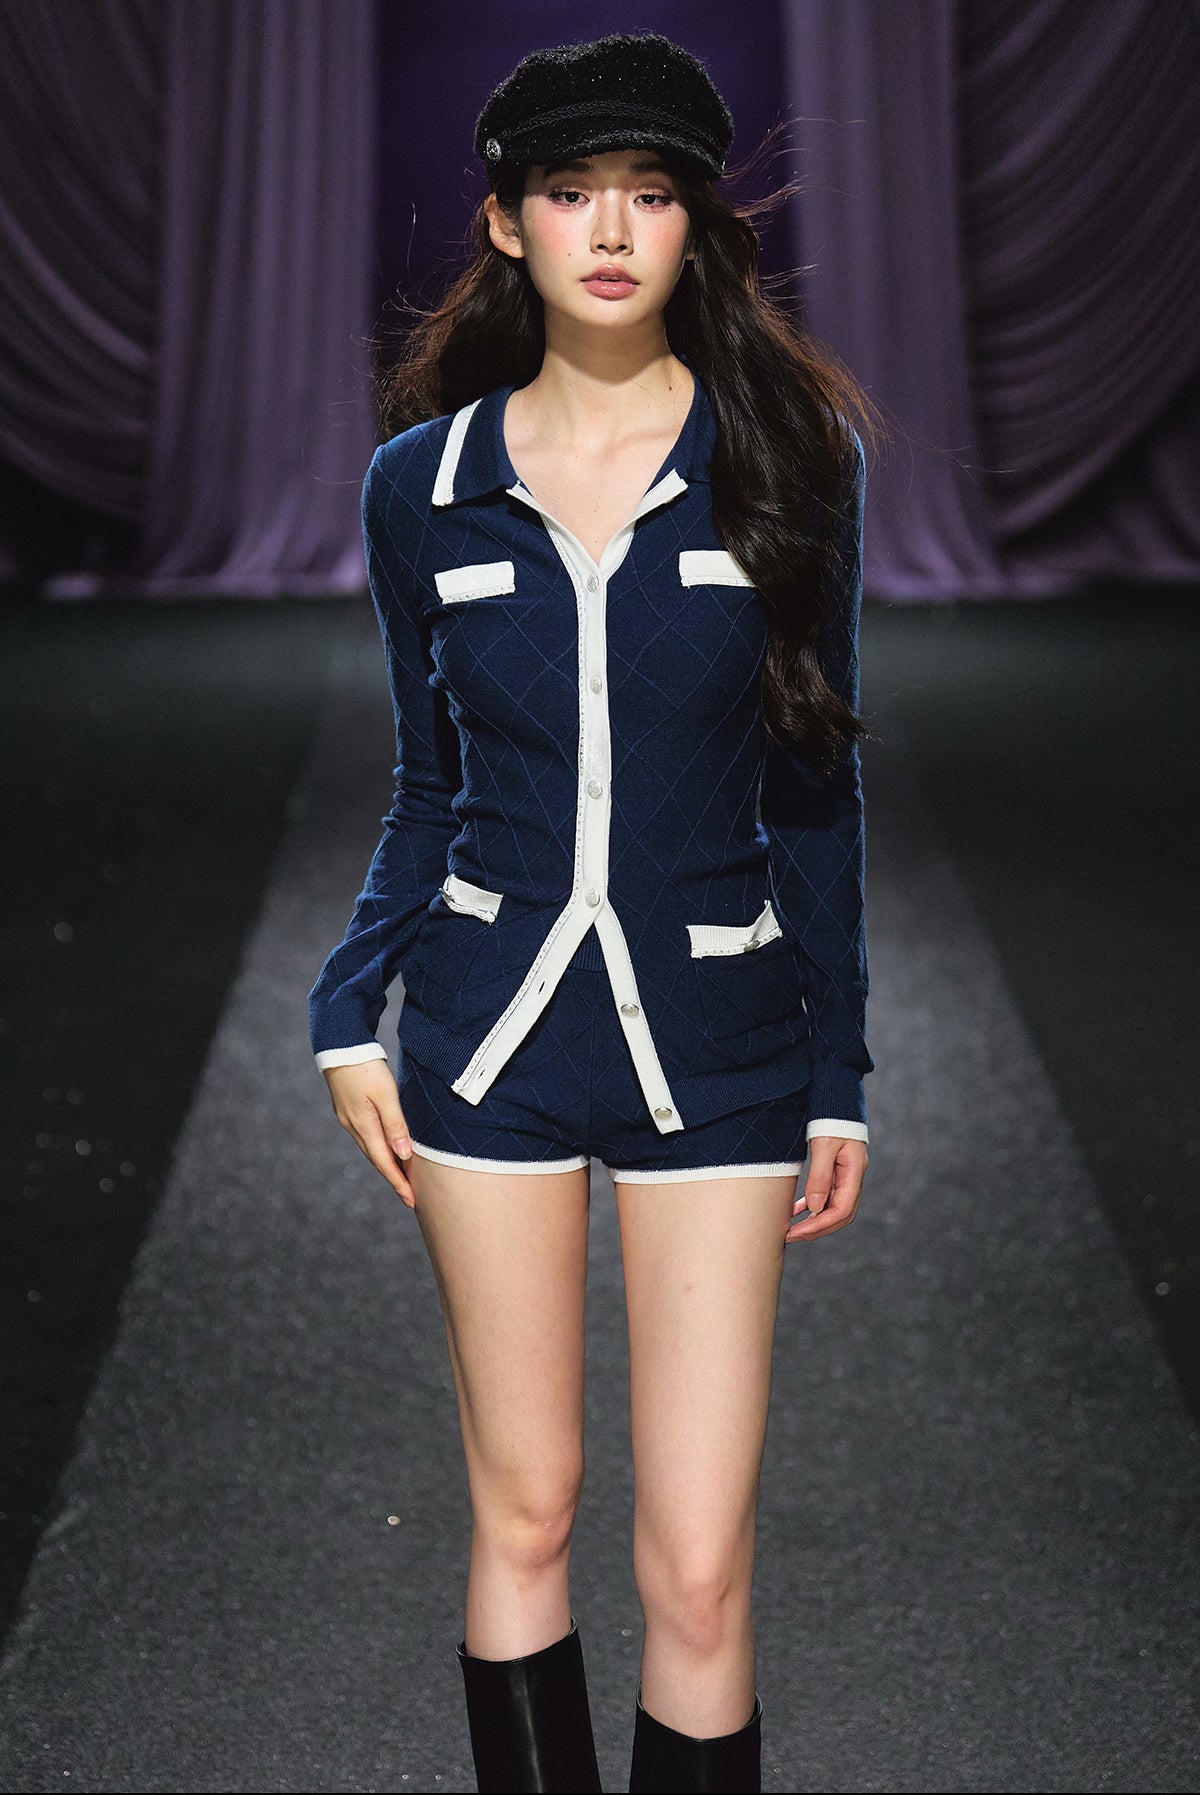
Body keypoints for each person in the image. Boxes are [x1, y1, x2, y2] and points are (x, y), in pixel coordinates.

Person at [308, 31, 880, 1795]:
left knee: (699, 1564)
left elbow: (816, 781)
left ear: (698, 224)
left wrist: (841, 1073)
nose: (612, 231)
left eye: (650, 195)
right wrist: (344, 1007)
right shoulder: (422, 488)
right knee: (527, 1510)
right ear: (506, 222)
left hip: (721, 1042)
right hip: (485, 1035)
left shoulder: (790, 458)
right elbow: (426, 780)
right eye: (571, 193)